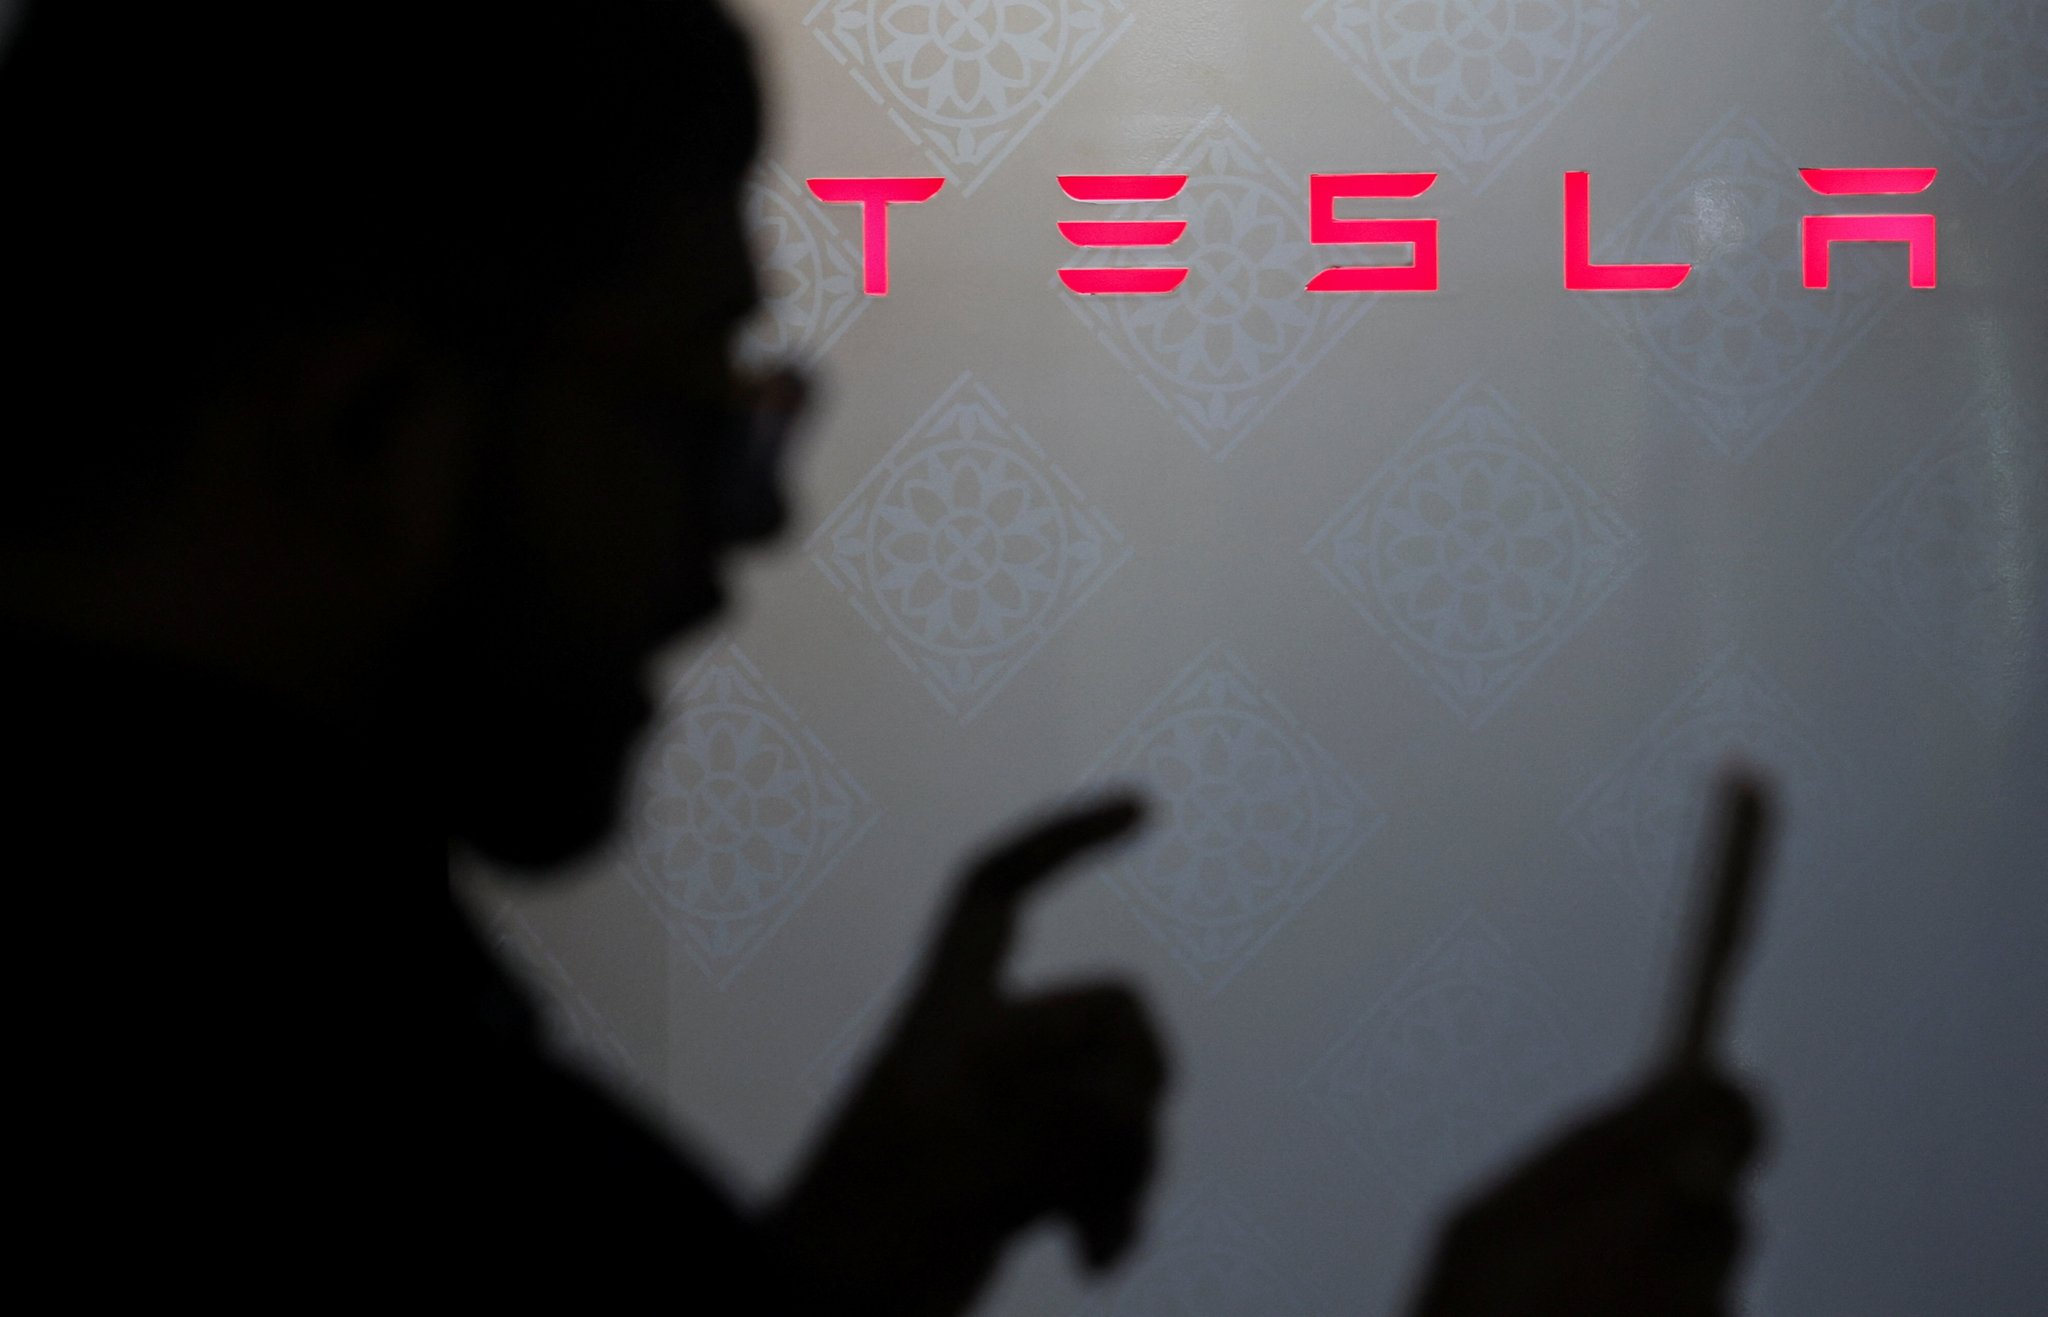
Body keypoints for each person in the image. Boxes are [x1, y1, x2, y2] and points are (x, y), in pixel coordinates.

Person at [0, 2, 1755, 1311]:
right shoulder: (378, 1148)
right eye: (699, 415)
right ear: (369, 427)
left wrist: (844, 1259)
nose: (749, 531)